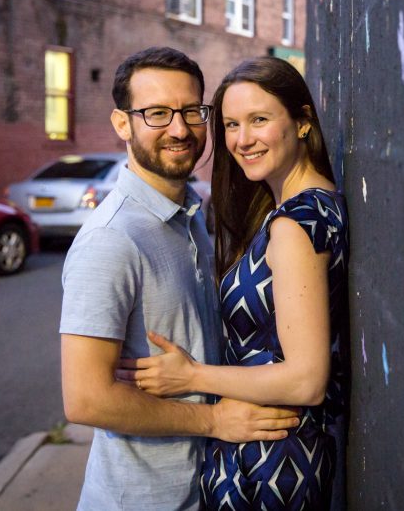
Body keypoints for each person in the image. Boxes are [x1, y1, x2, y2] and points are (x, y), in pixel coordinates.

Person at [60, 47, 300, 510]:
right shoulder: (111, 240)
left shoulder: (191, 215)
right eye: (157, 113)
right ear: (122, 124)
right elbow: (86, 400)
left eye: (191, 111)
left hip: (207, 490)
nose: (179, 128)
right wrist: (214, 422)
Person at [118, 56, 349, 510]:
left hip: (273, 461)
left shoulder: (293, 225)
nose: (242, 140)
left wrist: (192, 375)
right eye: (231, 124)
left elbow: (307, 381)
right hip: (271, 452)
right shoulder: (310, 204)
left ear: (302, 121)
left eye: (259, 120)